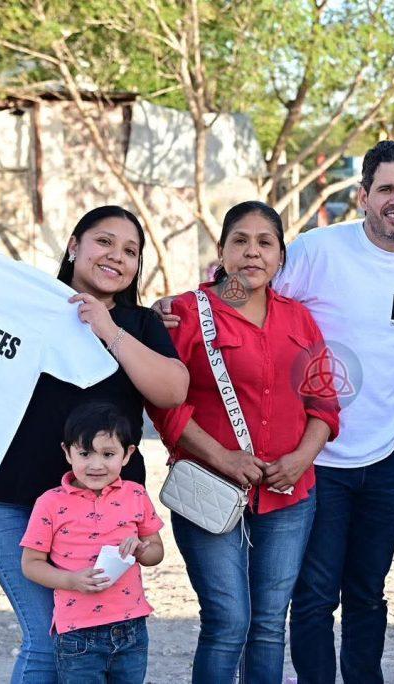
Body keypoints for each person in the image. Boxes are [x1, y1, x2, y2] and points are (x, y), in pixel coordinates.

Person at [154, 141, 394, 682]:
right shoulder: (314, 251)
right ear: (363, 196)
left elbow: (325, 392)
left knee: (352, 599)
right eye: (385, 189)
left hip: (368, 462)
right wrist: (175, 308)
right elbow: (174, 388)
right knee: (275, 609)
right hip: (304, 471)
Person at [0, 205, 187, 682]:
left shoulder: (141, 324)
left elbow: (172, 390)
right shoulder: (28, 306)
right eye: (104, 241)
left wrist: (107, 328)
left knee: (94, 647)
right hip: (19, 503)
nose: (116, 257)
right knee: (47, 640)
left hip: (108, 515)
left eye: (130, 251)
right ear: (73, 246)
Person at [146, 201, 339, 684]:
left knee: (269, 626)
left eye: (265, 243)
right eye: (241, 241)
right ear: (222, 250)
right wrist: (223, 457)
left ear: (280, 257)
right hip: (209, 487)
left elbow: (324, 402)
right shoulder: (187, 314)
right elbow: (164, 404)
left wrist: (301, 459)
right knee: (227, 622)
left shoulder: (299, 319)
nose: (253, 252)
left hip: (288, 494)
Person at [20, 402, 165, 682]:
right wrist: (71, 580)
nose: (96, 465)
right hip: (77, 634)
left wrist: (141, 550)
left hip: (132, 628)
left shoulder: (136, 495)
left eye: (108, 454)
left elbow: (156, 552)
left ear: (127, 454)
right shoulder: (50, 503)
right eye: (85, 453)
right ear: (67, 452)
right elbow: (31, 564)